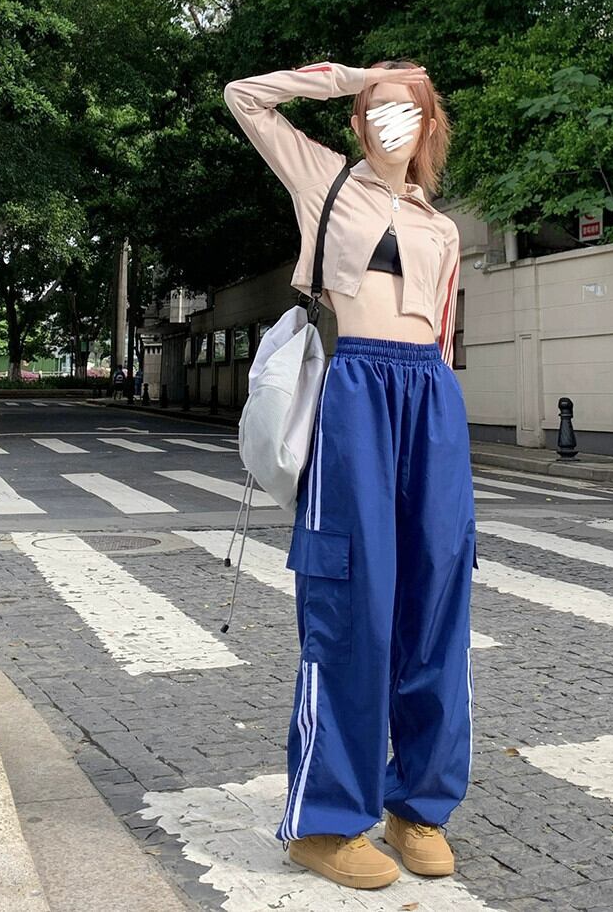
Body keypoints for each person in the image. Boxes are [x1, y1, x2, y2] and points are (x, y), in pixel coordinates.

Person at [223, 60, 476, 890]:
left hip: (430, 397)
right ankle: (325, 823)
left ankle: (418, 807)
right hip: (353, 390)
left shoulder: (442, 229)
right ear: (359, 122)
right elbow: (244, 97)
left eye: (408, 111)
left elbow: (443, 334)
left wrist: (441, 419)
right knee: (352, 601)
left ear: (429, 126)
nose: (391, 123)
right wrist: (358, 76)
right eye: (377, 111)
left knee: (438, 597)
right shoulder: (323, 179)